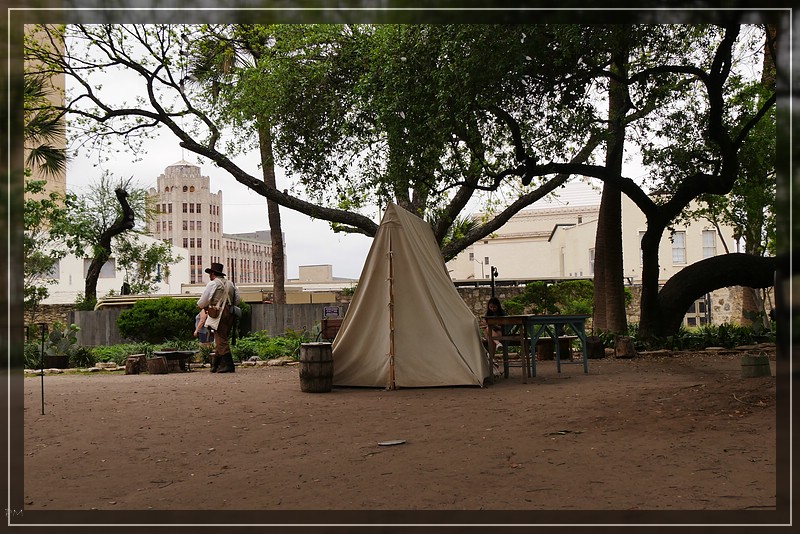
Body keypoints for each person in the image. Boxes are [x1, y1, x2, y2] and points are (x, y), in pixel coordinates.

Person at [197, 262, 240, 373]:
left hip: (218, 313)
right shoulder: (231, 284)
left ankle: (230, 365)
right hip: (230, 313)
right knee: (220, 339)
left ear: (212, 273)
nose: (209, 276)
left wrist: (202, 306)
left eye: (210, 273)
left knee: (221, 339)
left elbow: (202, 302)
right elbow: (237, 301)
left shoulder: (213, 284)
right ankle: (215, 366)